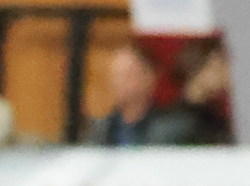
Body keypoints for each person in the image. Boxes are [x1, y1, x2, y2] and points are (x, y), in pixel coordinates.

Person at [87, 41, 221, 146]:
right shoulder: (100, 130)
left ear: (149, 78)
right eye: (116, 75)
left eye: (128, 75)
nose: (119, 83)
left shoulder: (172, 129)